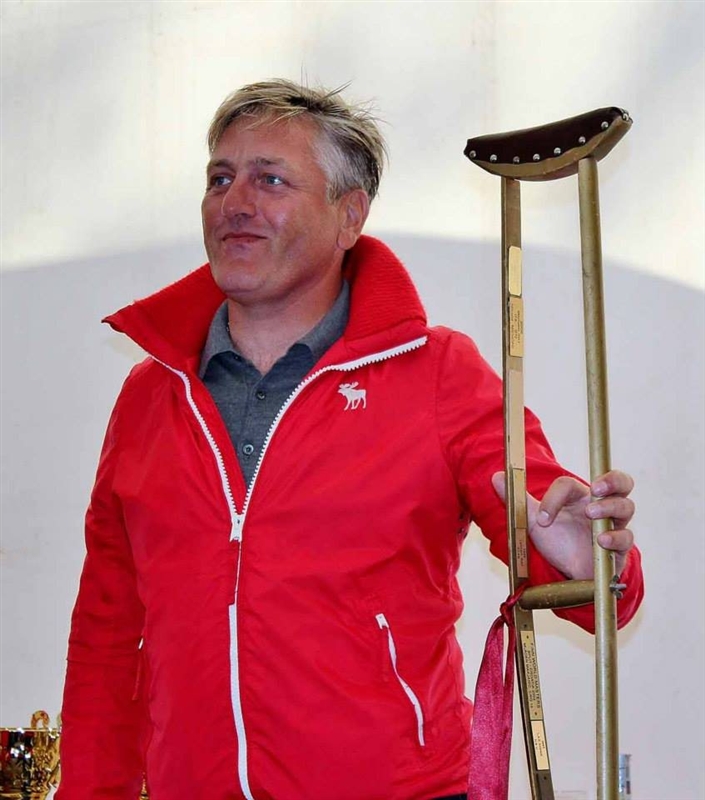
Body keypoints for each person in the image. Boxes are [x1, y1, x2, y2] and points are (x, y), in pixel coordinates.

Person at [57, 80, 643, 800]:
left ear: (349, 216)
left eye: (270, 179)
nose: (234, 202)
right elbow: (107, 636)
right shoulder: (150, 394)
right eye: (220, 178)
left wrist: (587, 562)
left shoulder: (438, 373)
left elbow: (578, 567)